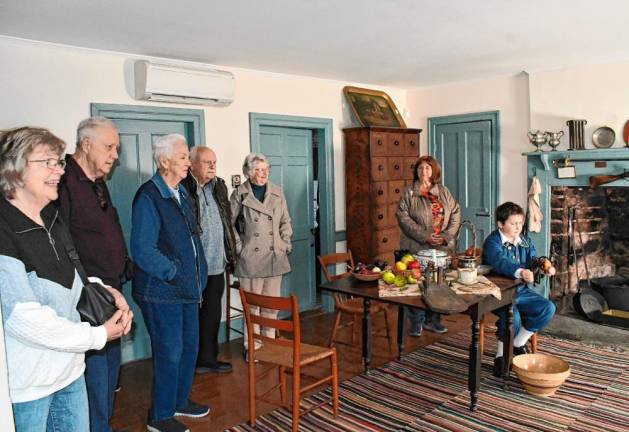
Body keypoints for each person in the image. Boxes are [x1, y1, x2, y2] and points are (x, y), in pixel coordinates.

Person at [0, 126, 131, 431]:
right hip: (30, 386)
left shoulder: (51, 217)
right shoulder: (4, 227)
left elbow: (74, 278)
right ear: (15, 169)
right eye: (47, 162)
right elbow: (21, 316)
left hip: (70, 371)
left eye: (58, 163)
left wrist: (107, 290)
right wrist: (97, 337)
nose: (59, 171)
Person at [57, 116, 131, 432]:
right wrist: (89, 285)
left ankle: (103, 424)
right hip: (87, 296)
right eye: (110, 147)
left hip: (112, 288)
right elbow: (62, 242)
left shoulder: (97, 181)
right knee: (97, 371)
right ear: (87, 144)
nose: (115, 155)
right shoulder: (63, 182)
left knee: (110, 370)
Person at [131, 134, 209, 432]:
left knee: (190, 348)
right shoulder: (148, 196)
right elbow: (143, 250)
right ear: (164, 161)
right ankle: (160, 416)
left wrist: (196, 277)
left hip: (188, 290)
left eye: (187, 157)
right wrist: (175, 272)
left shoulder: (182, 192)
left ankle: (179, 401)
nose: (189, 162)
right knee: (170, 352)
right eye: (182, 157)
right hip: (162, 292)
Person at [230, 153, 292, 360]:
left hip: (275, 256)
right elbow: (228, 226)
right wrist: (241, 248)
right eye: (258, 169)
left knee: (271, 305)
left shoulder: (277, 192)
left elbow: (285, 221)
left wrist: (284, 243)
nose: (263, 173)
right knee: (253, 306)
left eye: (266, 169)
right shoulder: (239, 194)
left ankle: (269, 343)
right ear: (248, 171)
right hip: (251, 260)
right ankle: (252, 346)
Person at [482, 201, 556, 377]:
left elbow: (533, 259)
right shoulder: (493, 241)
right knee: (512, 317)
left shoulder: (524, 241)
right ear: (501, 224)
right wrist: (521, 271)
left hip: (521, 291)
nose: (518, 227)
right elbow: (500, 261)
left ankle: (517, 343)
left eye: (520, 223)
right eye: (513, 223)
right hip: (498, 293)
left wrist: (544, 266)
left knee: (547, 308)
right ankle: (501, 356)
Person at [183, 147, 237, 374]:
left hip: (217, 263)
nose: (213, 166)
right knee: (192, 316)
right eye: (206, 162)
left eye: (214, 161)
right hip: (195, 265)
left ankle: (209, 358)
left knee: (212, 314)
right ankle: (192, 361)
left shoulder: (219, 186)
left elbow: (226, 220)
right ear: (192, 165)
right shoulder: (184, 188)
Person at [396, 155, 461, 336]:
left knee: (439, 284)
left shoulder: (444, 191)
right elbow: (403, 218)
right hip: (417, 246)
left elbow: (455, 212)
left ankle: (434, 321)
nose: (423, 171)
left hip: (442, 247)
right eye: (420, 168)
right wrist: (425, 236)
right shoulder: (409, 193)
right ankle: (417, 321)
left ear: (434, 172)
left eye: (427, 168)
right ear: (416, 172)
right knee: (418, 285)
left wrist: (447, 236)